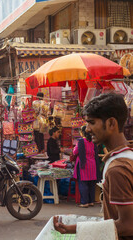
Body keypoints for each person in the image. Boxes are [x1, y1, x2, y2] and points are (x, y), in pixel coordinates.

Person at [54, 93, 133, 239]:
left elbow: (128, 226)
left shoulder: (117, 169)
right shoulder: (126, 156)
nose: (88, 129)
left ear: (111, 123)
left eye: (91, 122)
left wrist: (75, 229)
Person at [71, 125, 101, 208]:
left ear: (82, 132)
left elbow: (75, 152)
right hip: (93, 164)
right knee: (91, 184)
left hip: (84, 165)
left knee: (83, 183)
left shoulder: (81, 141)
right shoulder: (93, 141)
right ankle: (91, 201)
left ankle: (84, 202)